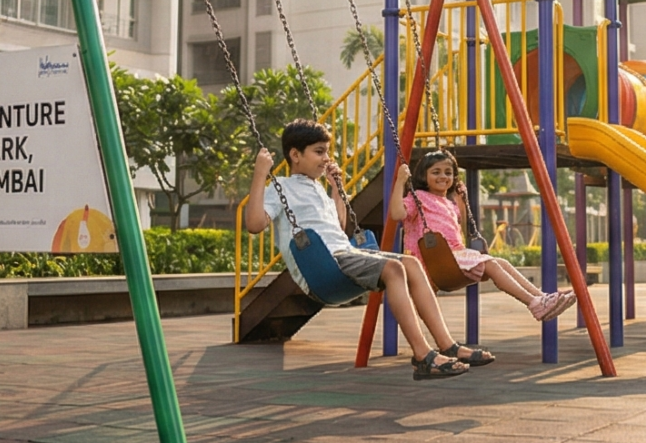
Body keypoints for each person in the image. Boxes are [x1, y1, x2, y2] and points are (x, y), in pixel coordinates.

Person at [241, 121, 492, 381]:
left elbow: (338, 227)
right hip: (325, 264)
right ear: (295, 155)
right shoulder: (280, 187)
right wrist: (260, 175)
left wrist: (336, 189)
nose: (326, 158)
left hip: (345, 252)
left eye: (327, 151)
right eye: (319, 152)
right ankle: (422, 356)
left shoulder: (317, 187)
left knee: (411, 264)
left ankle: (447, 345)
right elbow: (255, 224)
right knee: (394, 269)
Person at [392, 148, 576, 323]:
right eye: (436, 172)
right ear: (423, 175)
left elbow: (460, 231)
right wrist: (400, 182)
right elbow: (397, 214)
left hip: (454, 258)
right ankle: (534, 303)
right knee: (491, 263)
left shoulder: (449, 202)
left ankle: (541, 297)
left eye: (448, 173)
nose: (443, 176)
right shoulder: (418, 197)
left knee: (501, 263)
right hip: (436, 261)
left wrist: (462, 204)